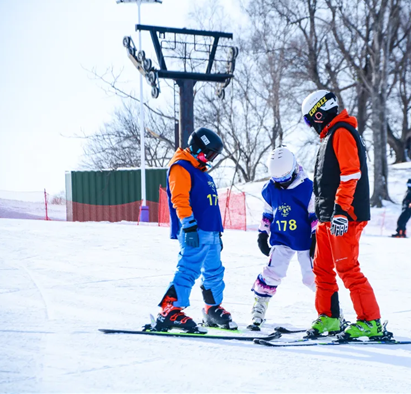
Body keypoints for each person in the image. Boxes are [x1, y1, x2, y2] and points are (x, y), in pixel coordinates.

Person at [301, 89, 384, 340]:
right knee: (322, 269)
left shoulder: (342, 133)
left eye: (309, 120)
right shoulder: (329, 136)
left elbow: (351, 174)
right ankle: (329, 318)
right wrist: (322, 216)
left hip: (344, 215)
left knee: (347, 268)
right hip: (328, 217)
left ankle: (370, 321)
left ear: (318, 114)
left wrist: (341, 211)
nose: (310, 126)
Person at [152, 127, 236, 333]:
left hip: (212, 232)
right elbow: (179, 198)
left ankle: (211, 308)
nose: (211, 159)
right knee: (189, 269)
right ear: (199, 147)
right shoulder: (181, 167)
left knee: (215, 272)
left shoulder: (202, 172)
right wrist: (188, 225)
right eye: (209, 153)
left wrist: (218, 233)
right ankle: (169, 309)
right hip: (195, 231)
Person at [249, 147, 317, 330]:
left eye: (285, 178)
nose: (282, 183)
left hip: (304, 240)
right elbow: (268, 213)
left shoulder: (307, 187)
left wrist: (316, 236)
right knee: (272, 272)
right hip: (281, 237)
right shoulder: (270, 189)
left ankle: (330, 311)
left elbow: (313, 215)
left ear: (294, 168)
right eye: (278, 179)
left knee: (312, 276)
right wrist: (263, 233)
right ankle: (259, 307)